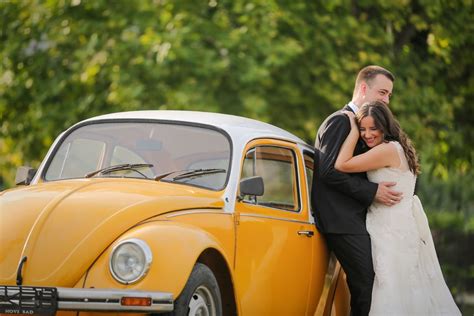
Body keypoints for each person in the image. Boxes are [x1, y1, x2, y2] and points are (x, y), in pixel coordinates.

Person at [335, 101, 461, 315]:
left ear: (385, 126)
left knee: (392, 290)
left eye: (372, 128)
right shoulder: (396, 147)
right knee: (403, 290)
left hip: (391, 231)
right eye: (363, 128)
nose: (367, 134)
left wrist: (353, 129)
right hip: (396, 227)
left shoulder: (387, 150)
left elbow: (341, 164)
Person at [311, 65, 402, 316]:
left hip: (354, 220)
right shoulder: (340, 121)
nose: (386, 99)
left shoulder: (363, 124)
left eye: (389, 95)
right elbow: (328, 171)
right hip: (340, 220)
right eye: (382, 92)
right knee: (366, 285)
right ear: (363, 88)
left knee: (367, 285)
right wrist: (372, 192)